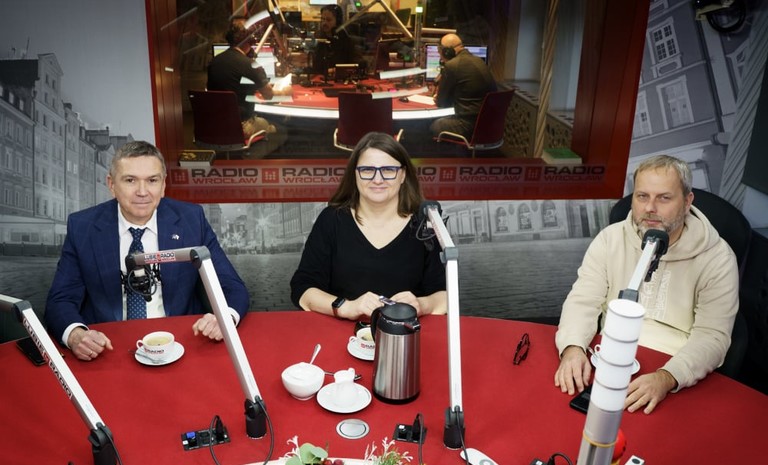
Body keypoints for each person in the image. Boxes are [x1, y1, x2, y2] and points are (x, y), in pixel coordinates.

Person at [553, 155, 739, 414]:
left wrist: (667, 378)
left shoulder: (718, 258)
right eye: (642, 196)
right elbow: (582, 301)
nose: (650, 208)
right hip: (607, 357)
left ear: (687, 202)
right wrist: (573, 347)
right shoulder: (610, 239)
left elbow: (712, 336)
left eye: (664, 198)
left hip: (673, 372)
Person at [45, 141, 250, 361]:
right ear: (111, 184)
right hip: (110, 347)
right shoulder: (83, 226)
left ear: (163, 185)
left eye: (152, 180)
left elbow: (232, 287)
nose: (142, 192)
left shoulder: (191, 219)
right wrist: (76, 335)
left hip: (180, 341)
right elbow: (60, 300)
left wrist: (224, 317)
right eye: (130, 180)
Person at [290, 132, 447, 320]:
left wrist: (421, 305)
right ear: (355, 174)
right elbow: (303, 289)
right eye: (367, 170)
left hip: (408, 334)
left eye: (388, 170)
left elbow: (446, 295)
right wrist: (346, 307)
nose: (377, 179)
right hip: (338, 333)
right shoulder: (331, 219)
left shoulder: (426, 223)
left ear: (403, 174)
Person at [207, 18, 290, 136]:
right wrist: (286, 92)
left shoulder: (214, 62)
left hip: (214, 125)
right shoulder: (250, 64)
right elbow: (269, 96)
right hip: (241, 126)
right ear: (250, 40)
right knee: (280, 131)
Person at [430, 33, 497, 140]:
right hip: (488, 124)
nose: (441, 58)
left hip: (468, 126)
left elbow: (442, 103)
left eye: (440, 53)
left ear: (447, 52)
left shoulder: (452, 65)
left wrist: (437, 96)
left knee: (431, 124)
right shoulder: (479, 60)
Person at [312, 4, 360, 75]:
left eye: (328, 20)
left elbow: (353, 66)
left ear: (337, 21)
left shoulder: (346, 41)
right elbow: (316, 67)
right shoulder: (320, 39)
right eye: (322, 19)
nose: (324, 23)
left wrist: (336, 70)